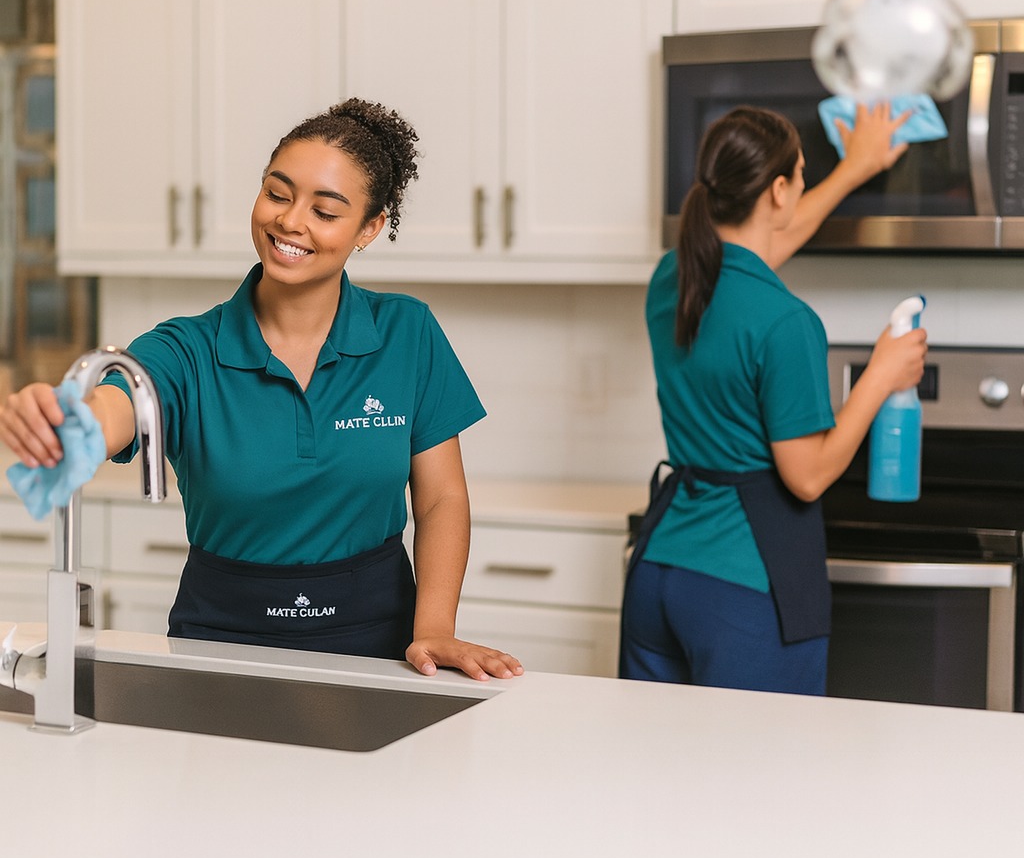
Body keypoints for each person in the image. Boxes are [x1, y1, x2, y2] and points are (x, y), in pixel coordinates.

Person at [0, 98, 524, 683]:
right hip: (218, 646)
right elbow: (115, 404)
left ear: (369, 229)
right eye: (277, 194)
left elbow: (440, 498)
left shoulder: (407, 333)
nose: (290, 222)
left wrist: (434, 630)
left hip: (381, 647)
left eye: (325, 211)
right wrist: (57, 420)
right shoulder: (188, 349)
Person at [620, 103, 927, 695]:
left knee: (657, 768)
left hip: (660, 573)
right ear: (778, 190)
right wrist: (880, 374)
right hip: (742, 584)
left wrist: (854, 168)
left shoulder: (674, 277)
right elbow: (807, 476)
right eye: (802, 176)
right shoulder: (787, 322)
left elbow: (763, 244)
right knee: (762, 777)